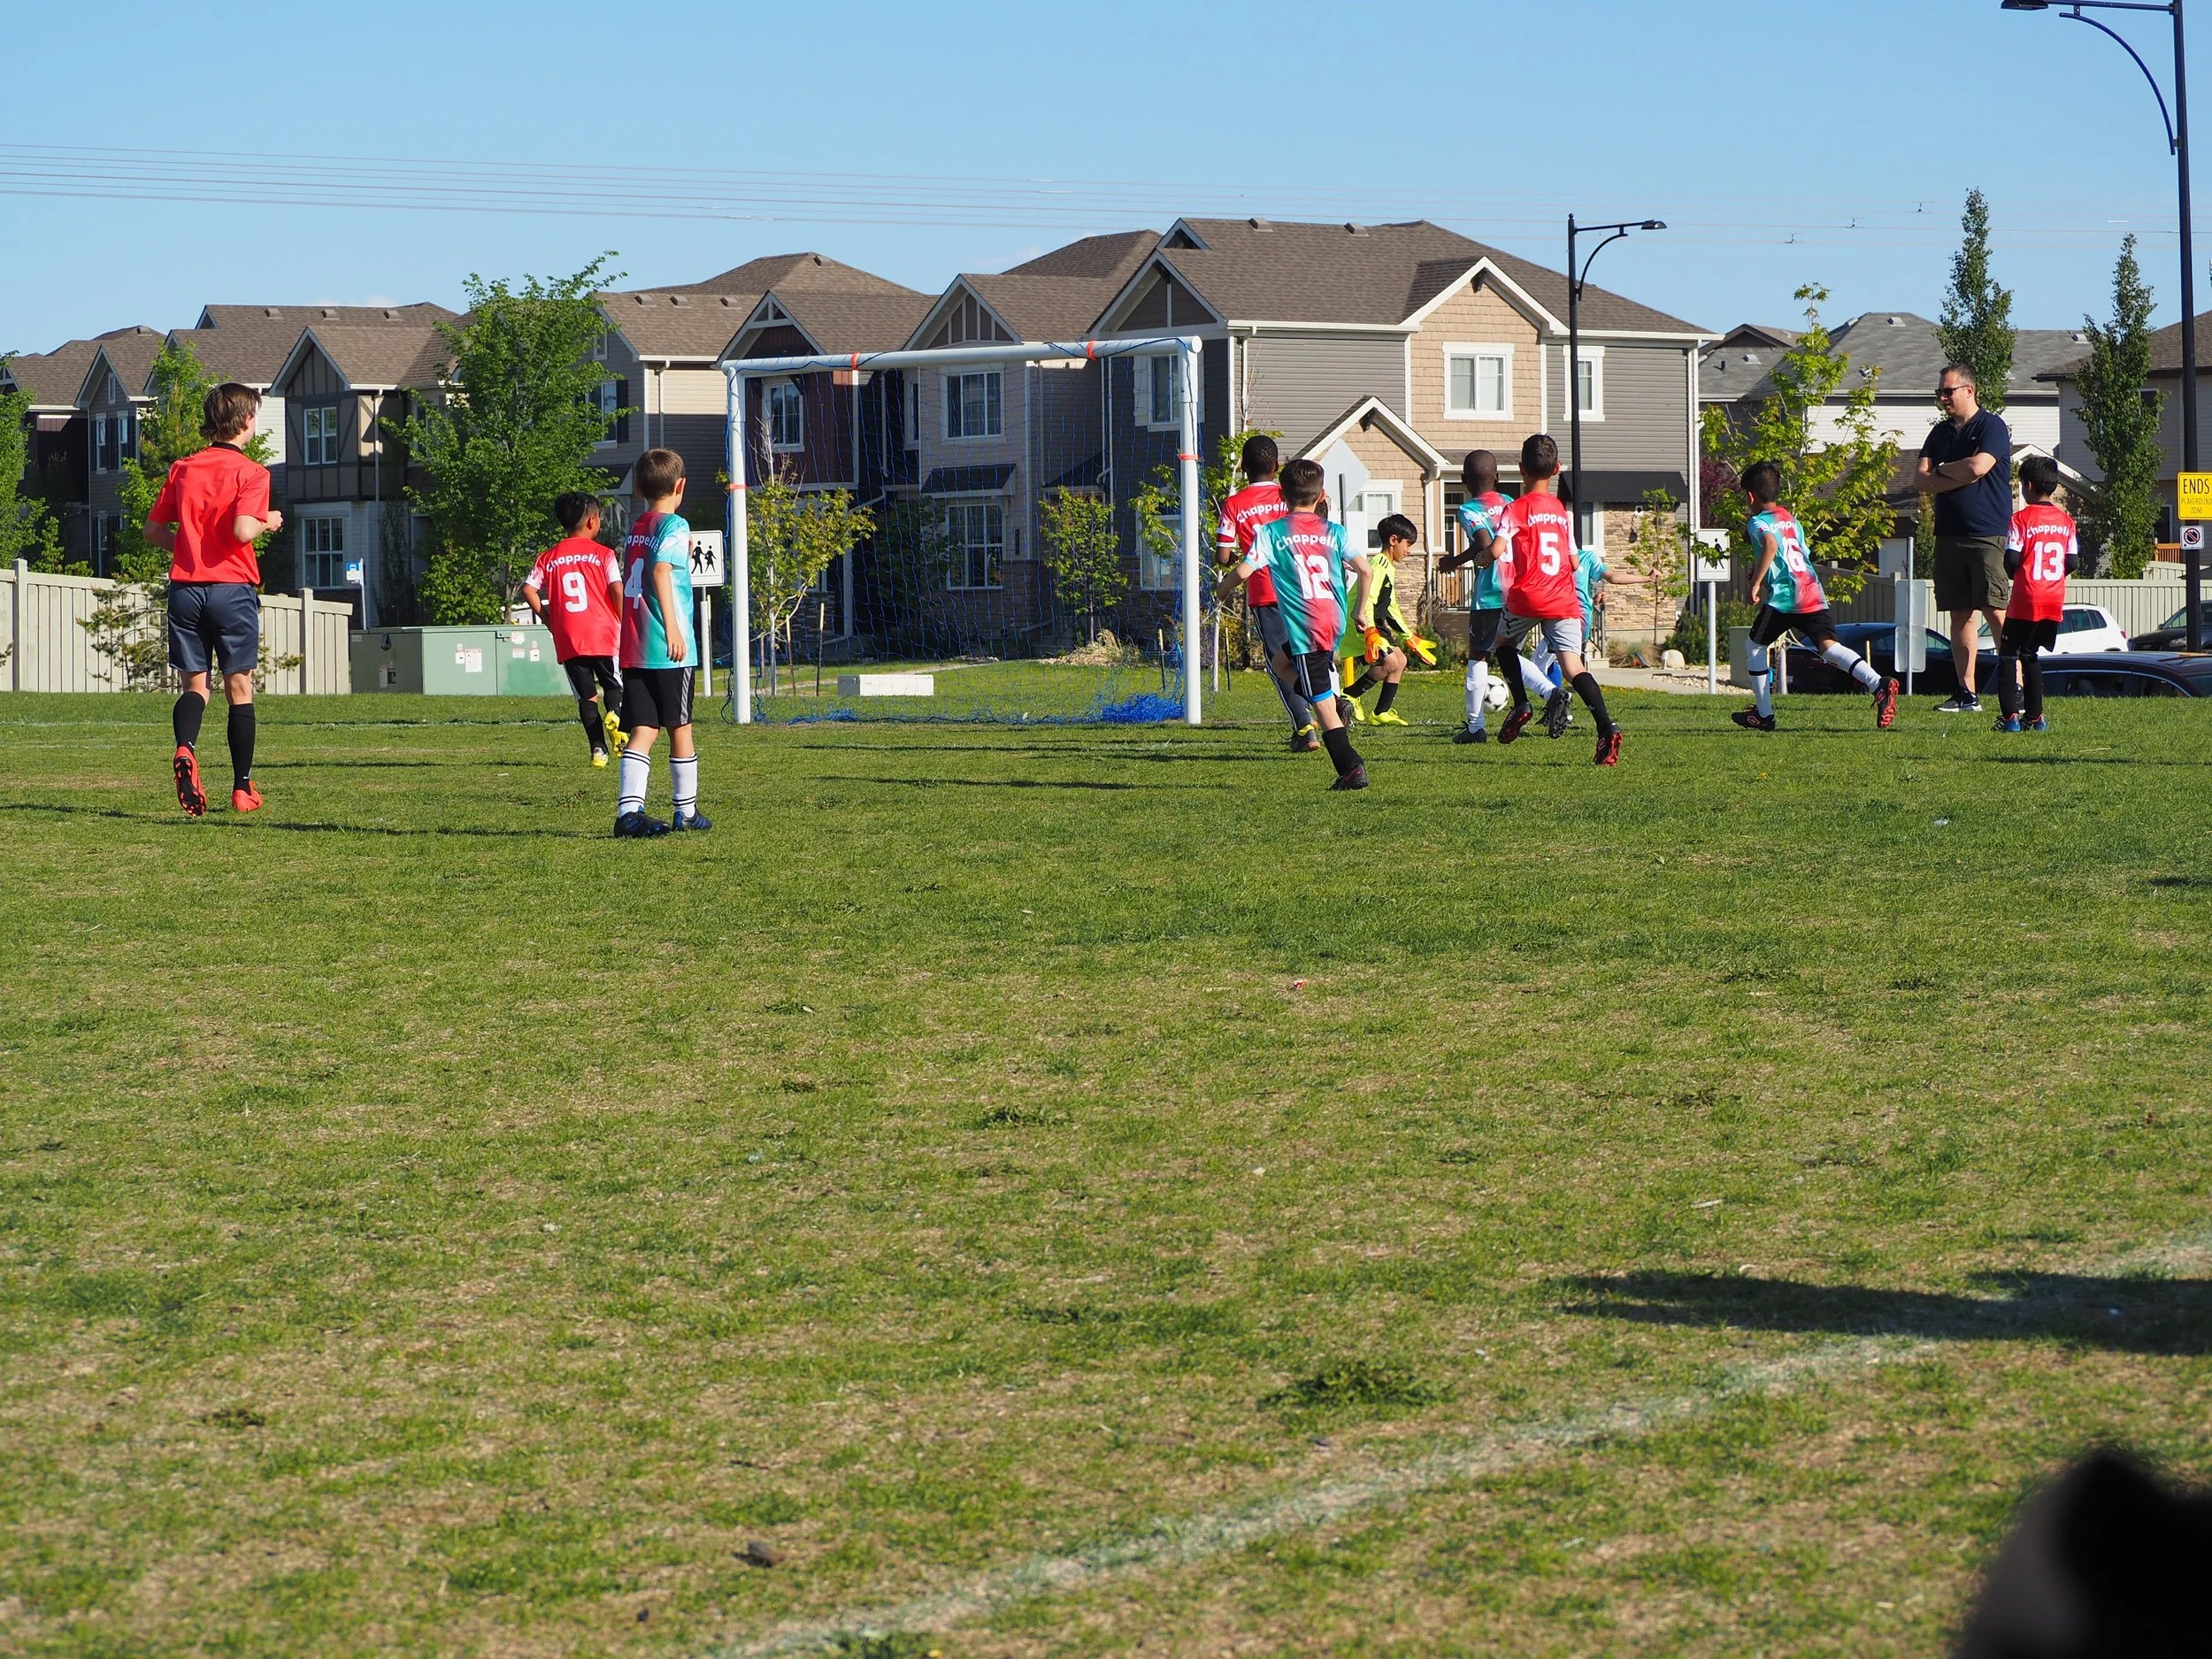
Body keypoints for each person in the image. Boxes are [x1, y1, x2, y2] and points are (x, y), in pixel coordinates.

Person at [144, 383, 282, 818]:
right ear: (244, 421)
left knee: (195, 686)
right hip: (231, 589)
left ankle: (185, 748)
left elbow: (152, 531)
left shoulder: (183, 468)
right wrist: (269, 520)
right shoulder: (253, 473)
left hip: (185, 590)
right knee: (239, 689)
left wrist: (189, 548)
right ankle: (242, 788)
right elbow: (243, 531)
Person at [1219, 457, 1377, 789]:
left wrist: (1221, 588)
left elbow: (1243, 572)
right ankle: (1332, 700)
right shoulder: (1334, 531)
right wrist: (1360, 612)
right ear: (1321, 497)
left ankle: (1351, 768)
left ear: (1282, 495)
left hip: (1307, 628)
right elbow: (1366, 570)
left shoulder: (1273, 532)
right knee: (1279, 662)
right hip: (1332, 622)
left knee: (1322, 708)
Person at [1479, 434, 1624, 765]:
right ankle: (1606, 727)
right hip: (1562, 597)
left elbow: (1498, 549)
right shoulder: (1560, 510)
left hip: (1528, 595)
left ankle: (1521, 704)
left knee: (1503, 645)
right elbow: (1573, 562)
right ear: (1556, 469)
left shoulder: (1514, 509)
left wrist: (1486, 557)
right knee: (1574, 668)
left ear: (1520, 470)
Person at [1732, 461, 1899, 733]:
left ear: (1750, 496)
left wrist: (1755, 583)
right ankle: (1877, 683)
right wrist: (1763, 567)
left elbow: (1771, 545)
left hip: (1786, 597)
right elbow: (1794, 553)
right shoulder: (1791, 520)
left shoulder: (1757, 522)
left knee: (1754, 647)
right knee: (1830, 647)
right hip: (1811, 590)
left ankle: (1764, 715)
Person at [1439, 449, 1566, 742]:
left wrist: (1453, 562)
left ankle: (1475, 728)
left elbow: (1484, 542)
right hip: (1517, 590)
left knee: (1478, 656)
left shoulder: (1468, 510)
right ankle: (1552, 693)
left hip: (1490, 593)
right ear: (1497, 478)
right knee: (1509, 653)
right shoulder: (1510, 502)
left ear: (1462, 479)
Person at [615, 449, 706, 837]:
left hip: (634, 647)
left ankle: (629, 812)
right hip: (667, 651)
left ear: (637, 489)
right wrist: (673, 628)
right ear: (680, 486)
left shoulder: (637, 525)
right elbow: (660, 569)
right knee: (680, 726)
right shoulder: (675, 526)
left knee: (643, 729)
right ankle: (686, 812)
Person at [1917, 363, 2013, 714]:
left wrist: (1947, 471)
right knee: (1960, 615)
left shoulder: (1993, 426)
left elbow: (1979, 467)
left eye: (1948, 391)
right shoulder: (1940, 433)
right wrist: (1949, 471)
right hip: (1949, 535)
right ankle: (1966, 693)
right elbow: (1922, 479)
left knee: (1996, 613)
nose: (1942, 398)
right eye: (1939, 392)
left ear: (1969, 390)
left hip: (1986, 534)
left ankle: (2012, 687)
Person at [1215, 434, 1317, 750]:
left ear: (1243, 467)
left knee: (1278, 663)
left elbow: (1222, 554)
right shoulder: (1289, 495)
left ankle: (1305, 727)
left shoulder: (1234, 504)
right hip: (1302, 587)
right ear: (1277, 466)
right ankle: (1334, 703)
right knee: (1306, 654)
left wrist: (1235, 560)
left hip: (1265, 591)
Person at [522, 492, 626, 768]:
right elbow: (616, 588)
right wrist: (622, 618)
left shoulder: (548, 557)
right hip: (603, 632)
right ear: (592, 521)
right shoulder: (604, 555)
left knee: (586, 696)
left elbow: (528, 589)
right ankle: (614, 713)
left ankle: (598, 750)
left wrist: (548, 619)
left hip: (569, 635)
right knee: (613, 683)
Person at [1994, 455, 2078, 734]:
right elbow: (2073, 561)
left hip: (2026, 597)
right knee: (2031, 654)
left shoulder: (2020, 519)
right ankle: (2036, 716)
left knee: (2008, 654)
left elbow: (2013, 558)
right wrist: (2052, 578)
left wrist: (2016, 575)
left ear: (2028, 486)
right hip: (2053, 598)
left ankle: (2009, 718)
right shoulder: (2066, 521)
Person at [1334, 513, 1435, 726]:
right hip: (1360, 622)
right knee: (1390, 662)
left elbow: (1391, 606)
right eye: (1408, 544)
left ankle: (1381, 712)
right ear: (1393, 540)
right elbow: (1368, 599)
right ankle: (1349, 695)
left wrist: (1409, 637)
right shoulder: (1379, 563)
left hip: (1374, 623)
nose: (1409, 551)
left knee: (1401, 660)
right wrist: (1370, 631)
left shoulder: (1388, 566)